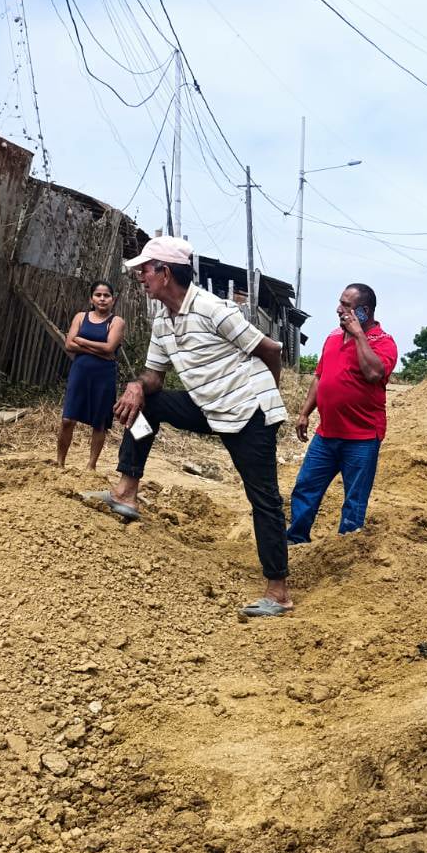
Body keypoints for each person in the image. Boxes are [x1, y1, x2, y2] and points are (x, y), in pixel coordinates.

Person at [84, 236, 293, 620]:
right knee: (147, 406)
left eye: (145, 270)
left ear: (165, 272)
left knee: (263, 498)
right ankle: (126, 493)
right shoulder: (163, 320)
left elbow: (270, 350)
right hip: (207, 406)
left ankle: (278, 592)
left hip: (249, 413)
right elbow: (154, 377)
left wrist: (268, 398)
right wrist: (136, 386)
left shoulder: (213, 309)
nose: (140, 277)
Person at [287, 283, 398, 545]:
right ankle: (296, 539)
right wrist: (305, 413)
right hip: (326, 435)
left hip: (362, 438)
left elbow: (373, 374)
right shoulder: (333, 337)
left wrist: (359, 336)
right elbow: (319, 377)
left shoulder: (384, 342)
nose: (339, 309)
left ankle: (345, 549)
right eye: (340, 303)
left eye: (347, 305)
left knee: (354, 499)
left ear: (364, 311)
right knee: (306, 487)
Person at [57, 280, 125, 469]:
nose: (102, 299)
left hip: (104, 376)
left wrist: (81, 341)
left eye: (106, 295)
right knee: (67, 419)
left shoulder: (117, 322)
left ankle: (91, 466)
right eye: (98, 295)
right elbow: (69, 344)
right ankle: (59, 463)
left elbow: (109, 347)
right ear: (91, 299)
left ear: (113, 300)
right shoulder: (81, 317)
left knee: (99, 422)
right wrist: (100, 352)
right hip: (80, 373)